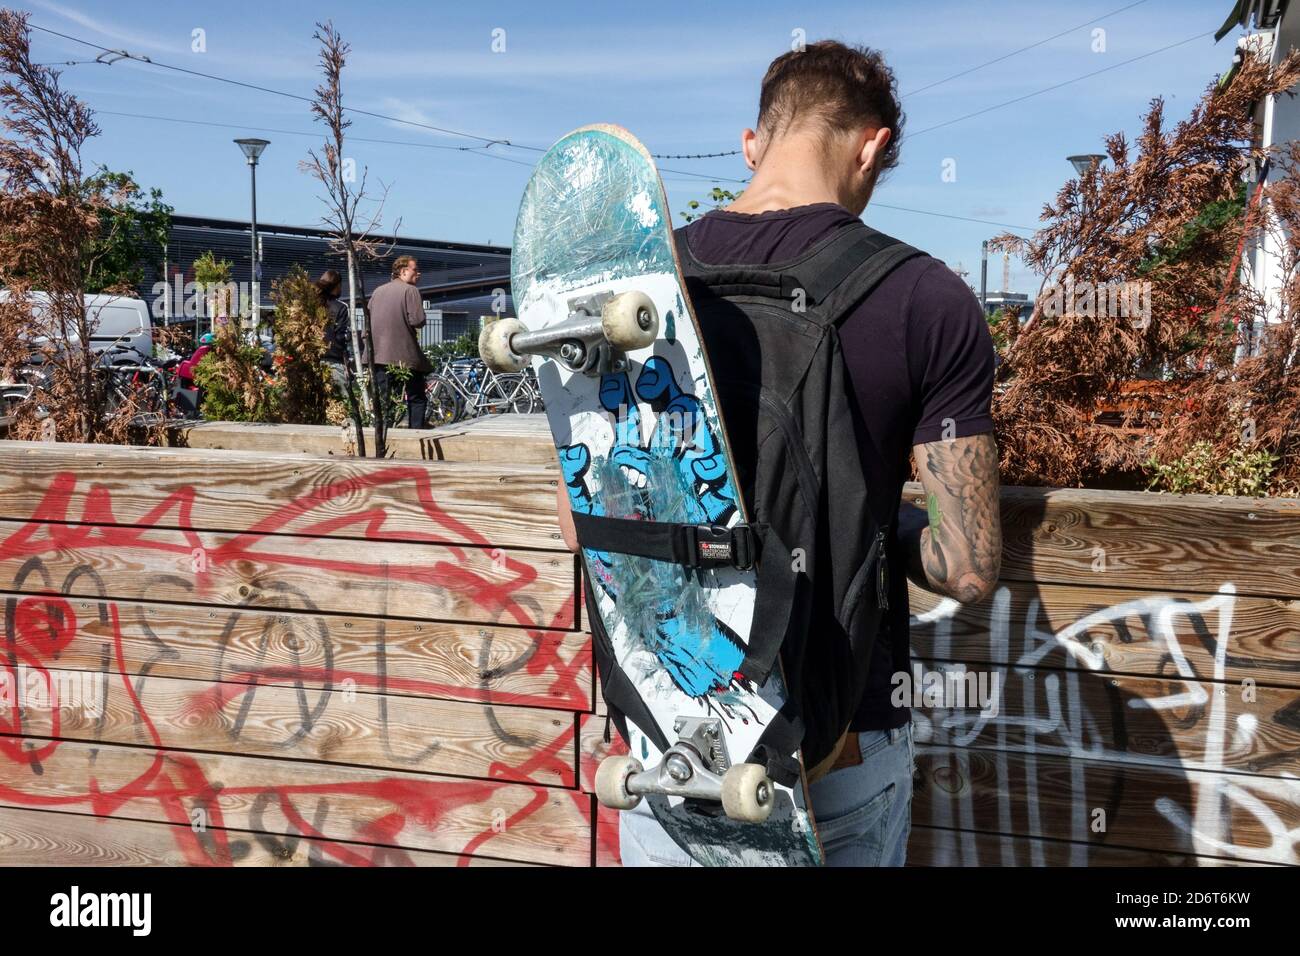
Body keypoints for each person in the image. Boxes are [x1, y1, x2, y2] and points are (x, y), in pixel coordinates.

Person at [556, 40, 1002, 866]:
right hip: (836, 751)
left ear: (751, 144)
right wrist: (875, 520)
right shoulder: (925, 298)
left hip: (668, 747)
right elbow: (966, 567)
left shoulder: (637, 292)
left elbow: (587, 516)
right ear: (872, 145)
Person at [365, 255, 431, 427]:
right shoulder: (411, 291)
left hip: (378, 355)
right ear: (403, 271)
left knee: (385, 400)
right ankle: (416, 437)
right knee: (416, 398)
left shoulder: (378, 291)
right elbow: (418, 320)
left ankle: (384, 435)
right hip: (404, 356)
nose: (419, 273)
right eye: (415, 269)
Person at [317, 269, 363, 430]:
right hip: (334, 361)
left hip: (313, 361)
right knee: (345, 408)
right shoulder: (341, 307)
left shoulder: (313, 304)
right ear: (336, 285)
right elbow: (341, 337)